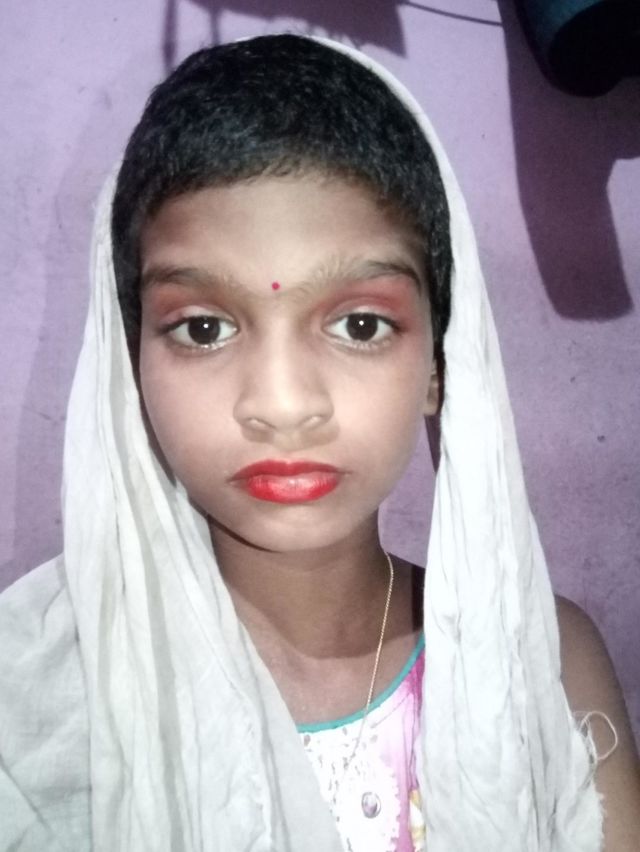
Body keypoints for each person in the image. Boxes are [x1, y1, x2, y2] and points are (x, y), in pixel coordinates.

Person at [0, 34, 638, 852]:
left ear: (442, 364)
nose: (282, 405)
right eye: (203, 328)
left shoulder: (541, 660)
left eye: (360, 324)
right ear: (131, 369)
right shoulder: (34, 697)